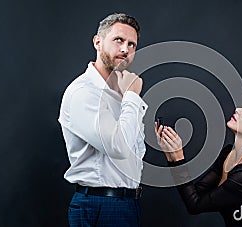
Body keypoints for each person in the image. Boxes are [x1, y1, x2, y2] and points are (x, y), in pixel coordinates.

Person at [58, 13, 147, 227]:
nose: (125, 49)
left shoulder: (122, 94)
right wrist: (134, 98)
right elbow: (118, 147)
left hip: (126, 204)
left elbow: (136, 153)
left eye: (132, 44)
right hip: (100, 205)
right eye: (119, 40)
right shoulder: (84, 92)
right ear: (97, 42)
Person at [155, 97, 242, 227]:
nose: (237, 109)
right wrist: (171, 154)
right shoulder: (230, 154)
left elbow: (195, 205)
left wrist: (178, 157)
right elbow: (196, 194)